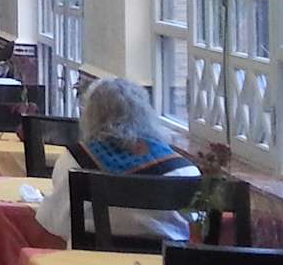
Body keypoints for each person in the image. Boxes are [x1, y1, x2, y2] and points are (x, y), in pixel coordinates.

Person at [33, 75, 198, 243]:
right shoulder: (183, 170)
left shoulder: (74, 161)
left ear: (89, 116)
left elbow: (56, 222)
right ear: (147, 113)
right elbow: (197, 224)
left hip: (91, 256)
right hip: (164, 258)